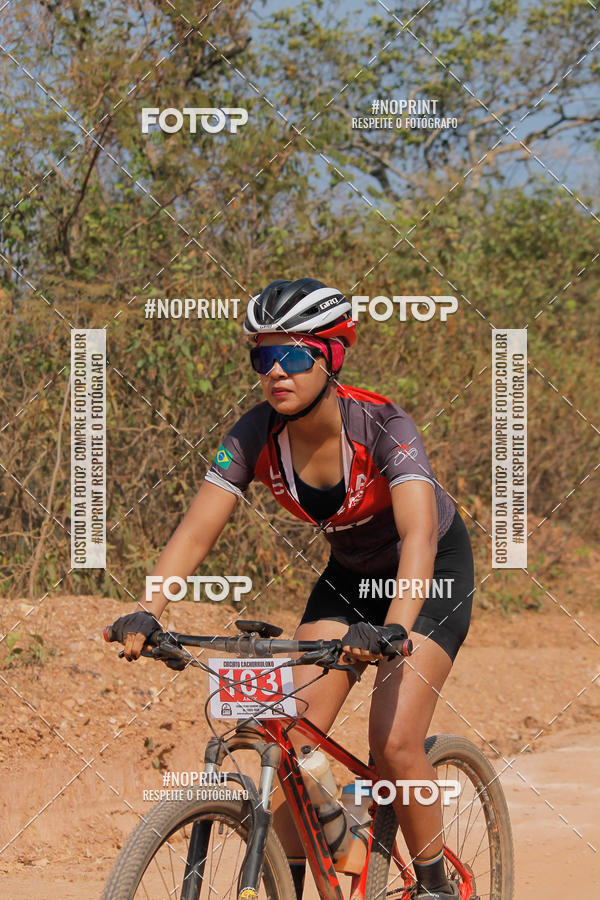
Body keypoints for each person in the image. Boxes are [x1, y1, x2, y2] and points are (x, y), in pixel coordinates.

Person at [110, 277, 474, 900]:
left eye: (293, 355)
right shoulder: (253, 435)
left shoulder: (383, 425)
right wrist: (148, 610)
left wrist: (395, 627)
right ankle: (309, 869)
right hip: (351, 577)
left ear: (331, 356)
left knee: (393, 743)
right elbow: (195, 531)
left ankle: (436, 884)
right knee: (290, 737)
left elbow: (416, 533)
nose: (276, 370)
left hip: (429, 572)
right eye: (262, 357)